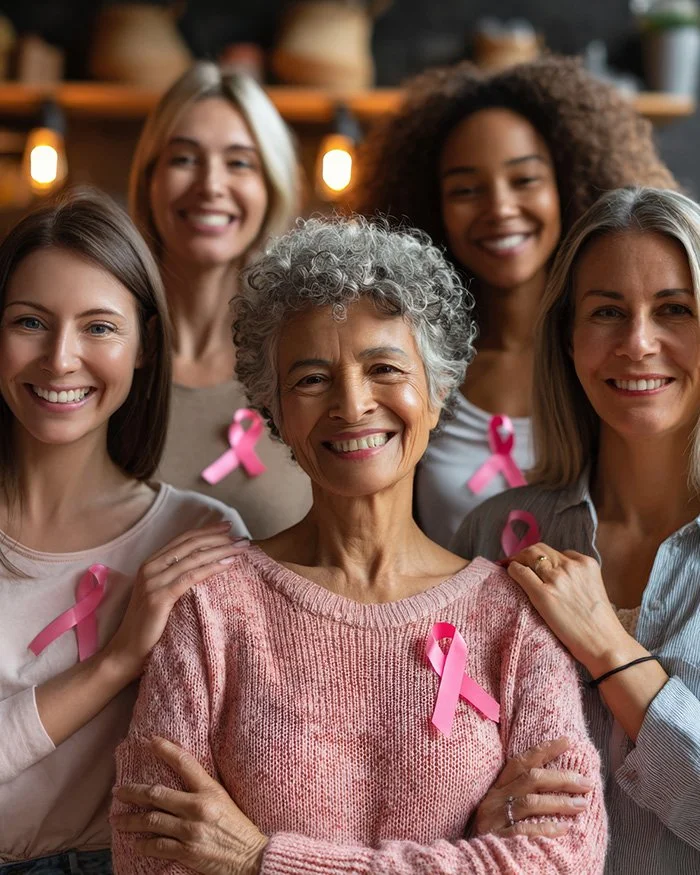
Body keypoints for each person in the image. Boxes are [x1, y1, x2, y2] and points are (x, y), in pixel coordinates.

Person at [111, 216, 606, 874]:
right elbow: (148, 856)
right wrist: (468, 857)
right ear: (276, 411)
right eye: (312, 378)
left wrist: (261, 860)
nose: (351, 403)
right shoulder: (212, 611)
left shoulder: (512, 618)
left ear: (436, 393)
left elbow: (563, 858)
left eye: (383, 368)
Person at [452, 187, 700, 873]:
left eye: (674, 308)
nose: (638, 342)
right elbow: (430, 766)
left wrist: (607, 647)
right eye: (607, 312)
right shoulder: (493, 531)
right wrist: (479, 811)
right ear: (568, 338)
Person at [0, 190, 249, 873]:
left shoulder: (197, 534)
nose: (59, 358)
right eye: (30, 321)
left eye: (99, 327)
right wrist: (118, 659)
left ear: (144, 347)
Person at [356, 55, 677, 547]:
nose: (500, 208)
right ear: (431, 206)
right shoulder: (413, 368)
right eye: (466, 189)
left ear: (568, 185)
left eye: (524, 180)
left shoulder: (619, 358)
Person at [129, 60, 312, 539]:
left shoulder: (304, 360)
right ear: (150, 181)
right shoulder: (99, 352)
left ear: (270, 187)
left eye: (239, 162)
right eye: (184, 158)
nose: (211, 185)